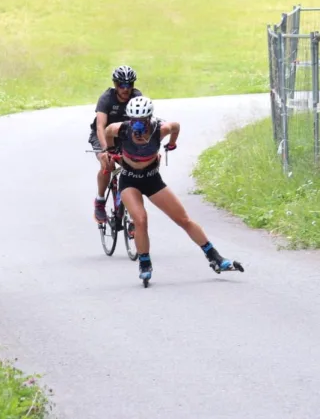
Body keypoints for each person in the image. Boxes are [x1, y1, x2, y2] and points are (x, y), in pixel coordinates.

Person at [102, 95, 243, 284]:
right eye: (134, 121)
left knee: (183, 219)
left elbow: (175, 126)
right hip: (129, 180)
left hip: (152, 179)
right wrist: (110, 150)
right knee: (141, 219)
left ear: (149, 118)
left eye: (142, 121)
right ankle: (144, 262)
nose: (138, 126)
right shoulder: (122, 129)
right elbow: (108, 131)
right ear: (129, 119)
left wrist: (171, 143)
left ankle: (216, 258)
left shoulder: (160, 129)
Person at [90, 66, 142, 224]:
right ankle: (99, 201)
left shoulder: (136, 96)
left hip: (123, 137)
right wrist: (106, 149)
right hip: (102, 136)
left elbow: (143, 123)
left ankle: (132, 213)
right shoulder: (106, 98)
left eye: (129, 85)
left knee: (135, 167)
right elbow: (100, 126)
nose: (126, 89)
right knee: (108, 164)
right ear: (115, 84)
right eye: (121, 85)